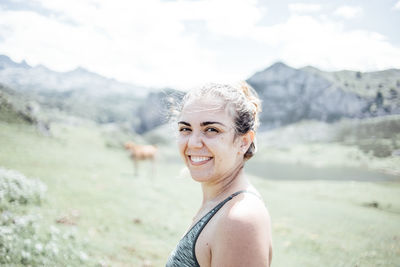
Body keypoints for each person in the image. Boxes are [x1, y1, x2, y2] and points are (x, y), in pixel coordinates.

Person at [166, 82, 272, 267]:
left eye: (211, 129)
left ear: (244, 142)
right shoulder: (219, 202)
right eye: (185, 129)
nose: (193, 143)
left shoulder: (239, 220)